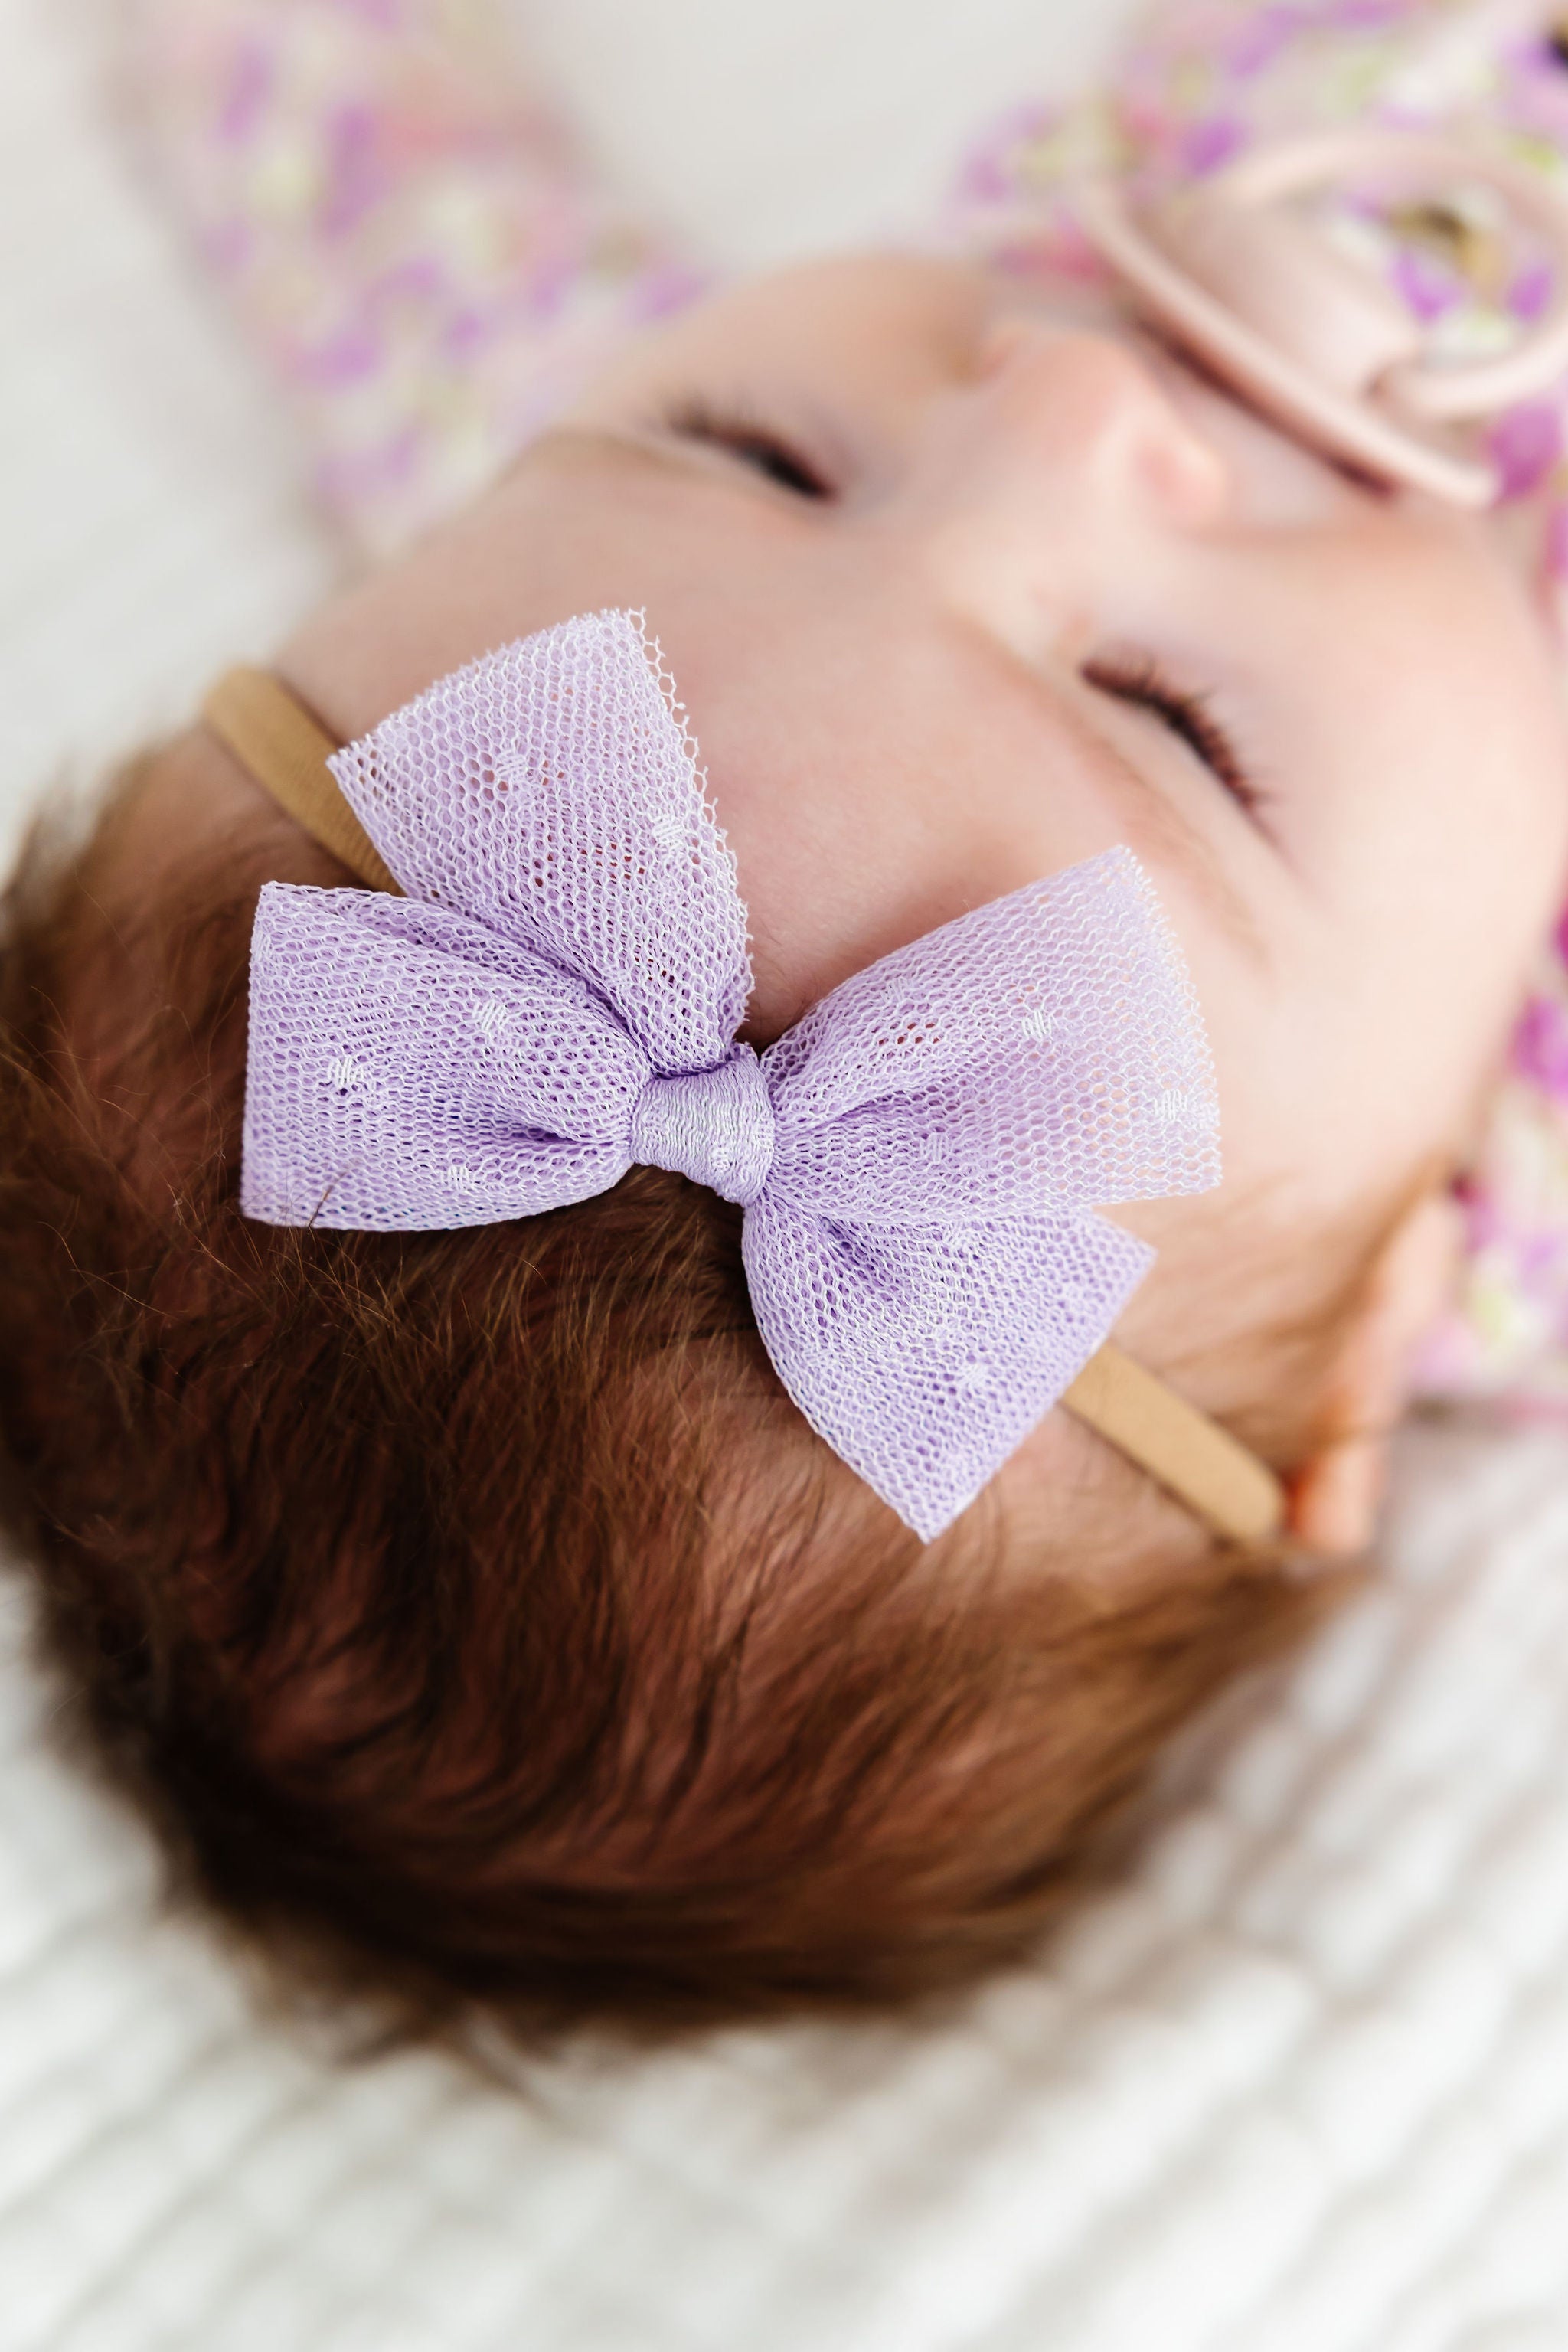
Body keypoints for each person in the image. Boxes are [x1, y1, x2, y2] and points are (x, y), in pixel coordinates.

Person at [1, 0, 1564, 2028]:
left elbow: (352, 158)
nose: (1066, 404)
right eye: (1171, 724)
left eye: (760, 450)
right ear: (1375, 1340)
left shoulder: (543, 572)